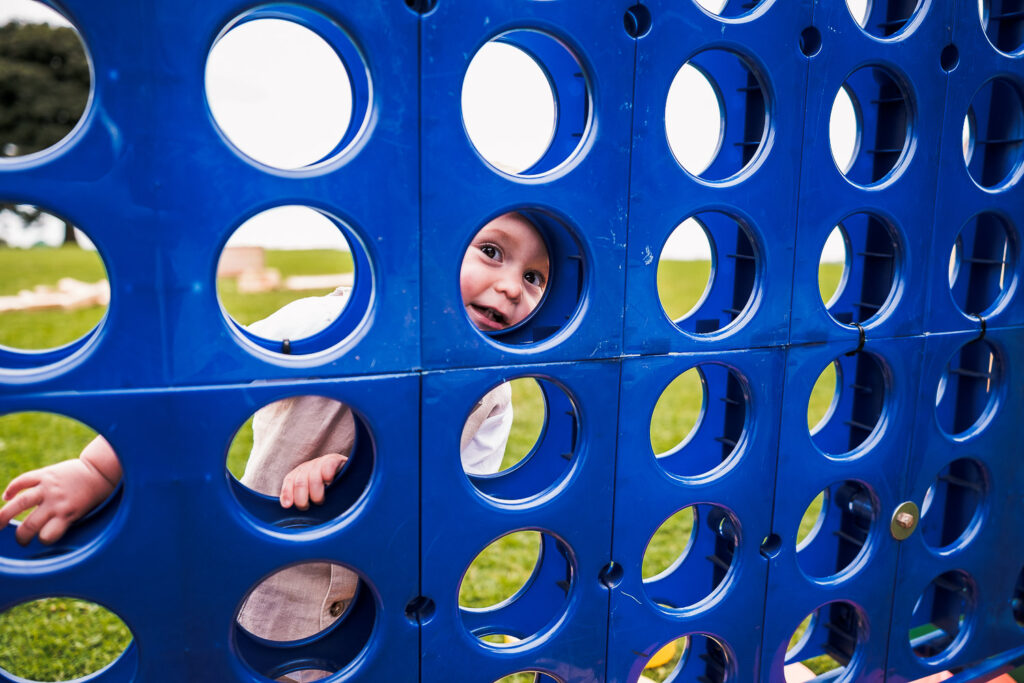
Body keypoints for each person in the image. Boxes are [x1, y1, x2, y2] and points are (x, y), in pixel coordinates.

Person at [0, 211, 550, 681]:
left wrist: (365, 476)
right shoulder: (319, 324)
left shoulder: (491, 394)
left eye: (534, 278)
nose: (511, 287)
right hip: (272, 579)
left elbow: (460, 499)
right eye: (491, 251)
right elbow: (197, 390)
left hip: (382, 597)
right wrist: (94, 470)